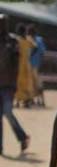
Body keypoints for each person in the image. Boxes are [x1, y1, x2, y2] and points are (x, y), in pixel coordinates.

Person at [0, 15, 29, 155]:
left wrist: (15, 82)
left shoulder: (13, 42)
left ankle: (22, 136)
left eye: (2, 24)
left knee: (7, 111)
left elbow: (17, 63)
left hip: (8, 85)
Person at [13, 24, 35, 107]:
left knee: (21, 83)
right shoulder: (26, 40)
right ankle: (20, 101)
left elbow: (34, 47)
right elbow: (35, 47)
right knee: (24, 83)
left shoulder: (17, 40)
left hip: (21, 64)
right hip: (25, 64)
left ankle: (23, 101)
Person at [27, 25, 45, 107]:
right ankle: (33, 100)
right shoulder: (27, 40)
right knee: (31, 84)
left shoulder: (39, 40)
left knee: (38, 84)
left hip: (36, 65)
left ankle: (41, 100)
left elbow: (42, 53)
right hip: (29, 66)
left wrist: (41, 64)